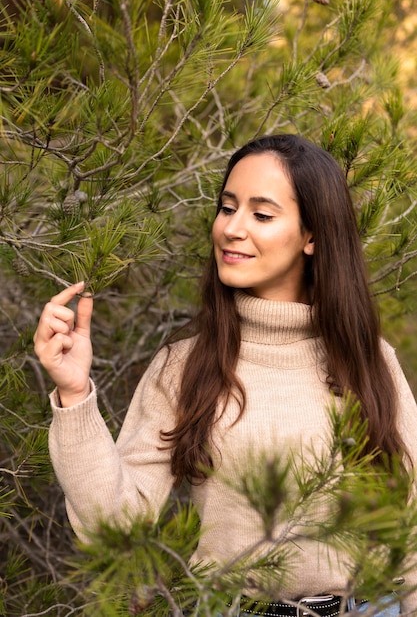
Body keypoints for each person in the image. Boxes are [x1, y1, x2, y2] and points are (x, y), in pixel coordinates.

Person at [34, 134, 417, 616]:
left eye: (260, 214)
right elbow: (118, 530)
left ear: (312, 235)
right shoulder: (185, 365)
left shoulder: (369, 361)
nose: (232, 229)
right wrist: (74, 395)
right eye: (226, 207)